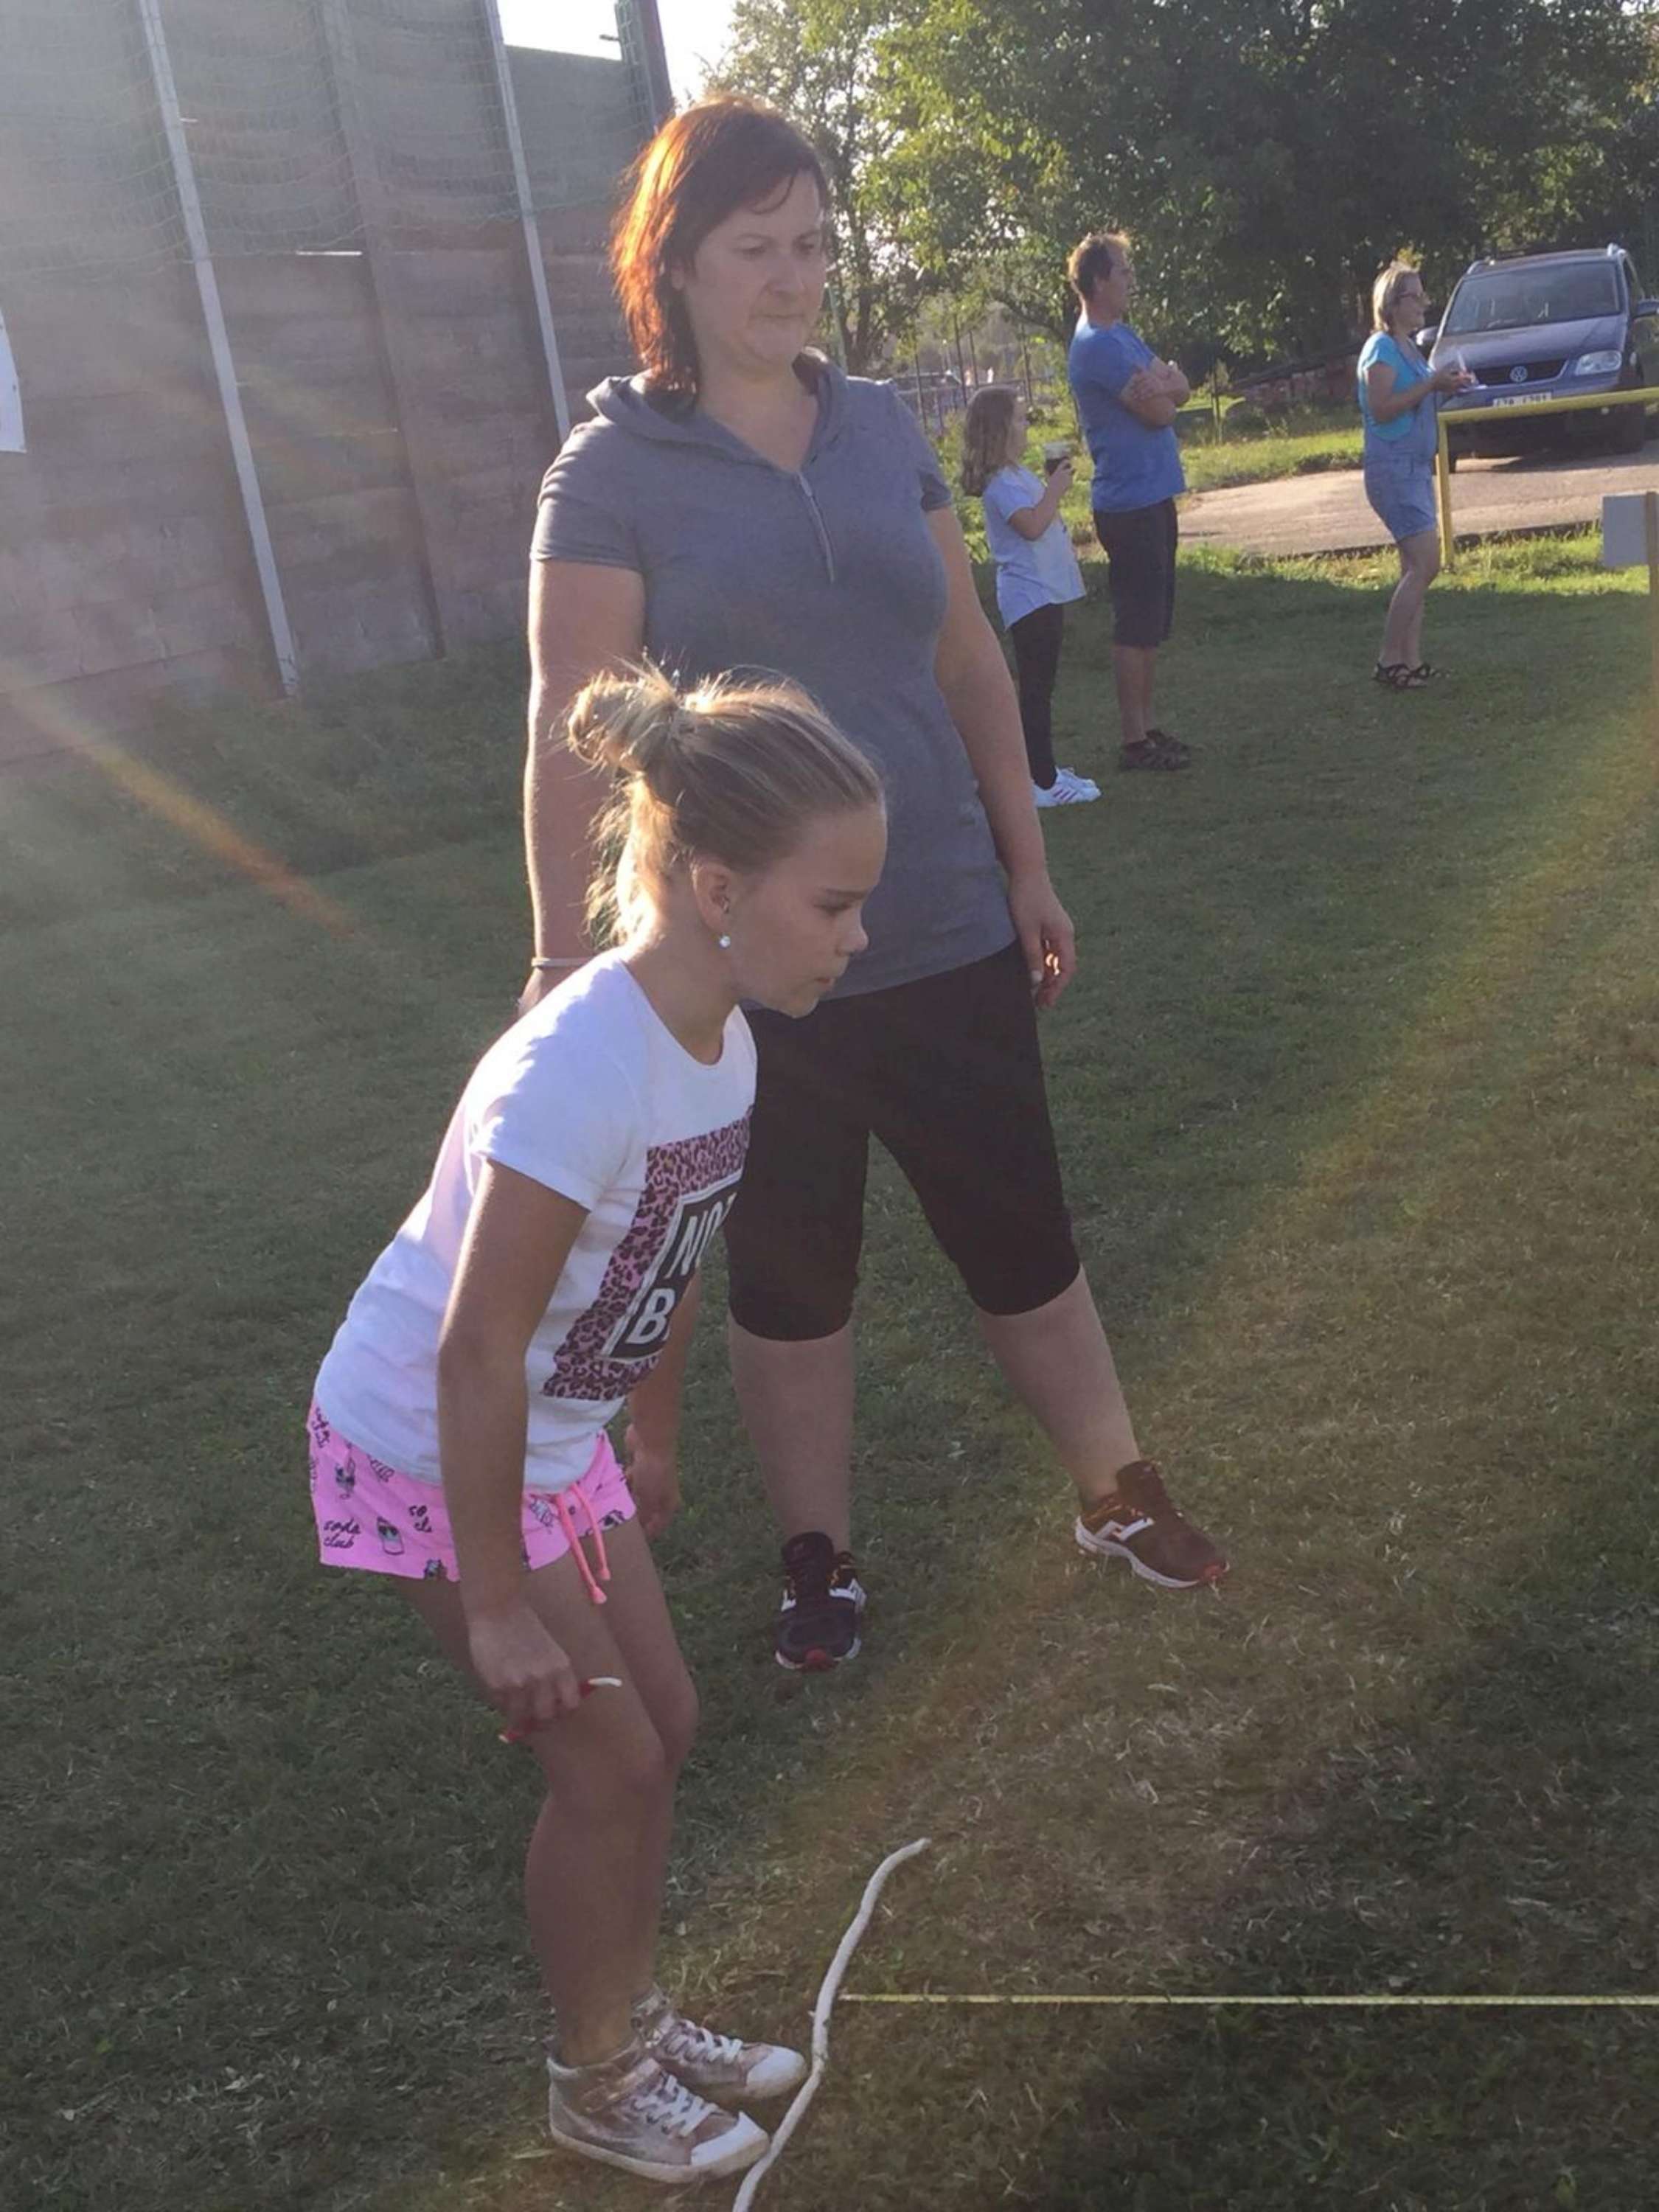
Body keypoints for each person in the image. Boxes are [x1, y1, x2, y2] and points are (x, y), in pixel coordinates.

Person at [527, 96, 1228, 1678]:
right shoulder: (613, 468)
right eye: (755, 248)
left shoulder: (878, 428)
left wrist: (1027, 862)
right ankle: (819, 1564)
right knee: (793, 1274)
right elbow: (570, 723)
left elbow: (965, 654)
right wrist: (560, 964)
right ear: (674, 264)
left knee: (1021, 1231)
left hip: (945, 919)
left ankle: (1117, 1493)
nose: (794, 278)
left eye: (812, 244)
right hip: (745, 970)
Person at [306, 663, 886, 2183]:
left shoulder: (725, 1041)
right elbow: (476, 1347)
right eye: (834, 905)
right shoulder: (577, 1072)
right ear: (717, 888)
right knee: (608, 1766)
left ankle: (629, 2012)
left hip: (551, 1437)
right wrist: (499, 1601)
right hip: (430, 1440)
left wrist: (656, 1435)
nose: (857, 937)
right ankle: (595, 2072)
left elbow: (668, 1250)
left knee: (665, 1728)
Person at [1066, 231, 1193, 772]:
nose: (1131, 281)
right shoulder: (1097, 346)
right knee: (1135, 623)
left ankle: (1148, 726)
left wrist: (1167, 384)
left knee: (1152, 622)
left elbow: (1181, 387)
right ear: (1099, 281)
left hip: (1155, 494)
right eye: (1123, 272)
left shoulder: (1122, 335)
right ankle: (1133, 740)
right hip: (1128, 503)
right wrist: (1166, 388)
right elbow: (1162, 411)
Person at [961, 383, 1099, 808]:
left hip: (1045, 591)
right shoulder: (1000, 484)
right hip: (1028, 596)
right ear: (1000, 429)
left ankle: (1045, 768)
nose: (1026, 427)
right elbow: (1032, 526)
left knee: (1044, 686)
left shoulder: (1017, 474)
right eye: (1019, 420)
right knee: (1036, 690)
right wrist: (1055, 491)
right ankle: (1039, 779)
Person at [1357, 261, 1473, 689]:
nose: (1424, 302)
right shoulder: (1381, 349)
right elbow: (1383, 407)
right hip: (1393, 470)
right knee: (1427, 563)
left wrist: (1448, 387)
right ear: (1392, 304)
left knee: (1414, 568)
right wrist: (1431, 385)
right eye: (1415, 296)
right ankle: (1389, 661)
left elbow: (1417, 397)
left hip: (1415, 469)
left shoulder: (1406, 346)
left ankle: (1411, 662)